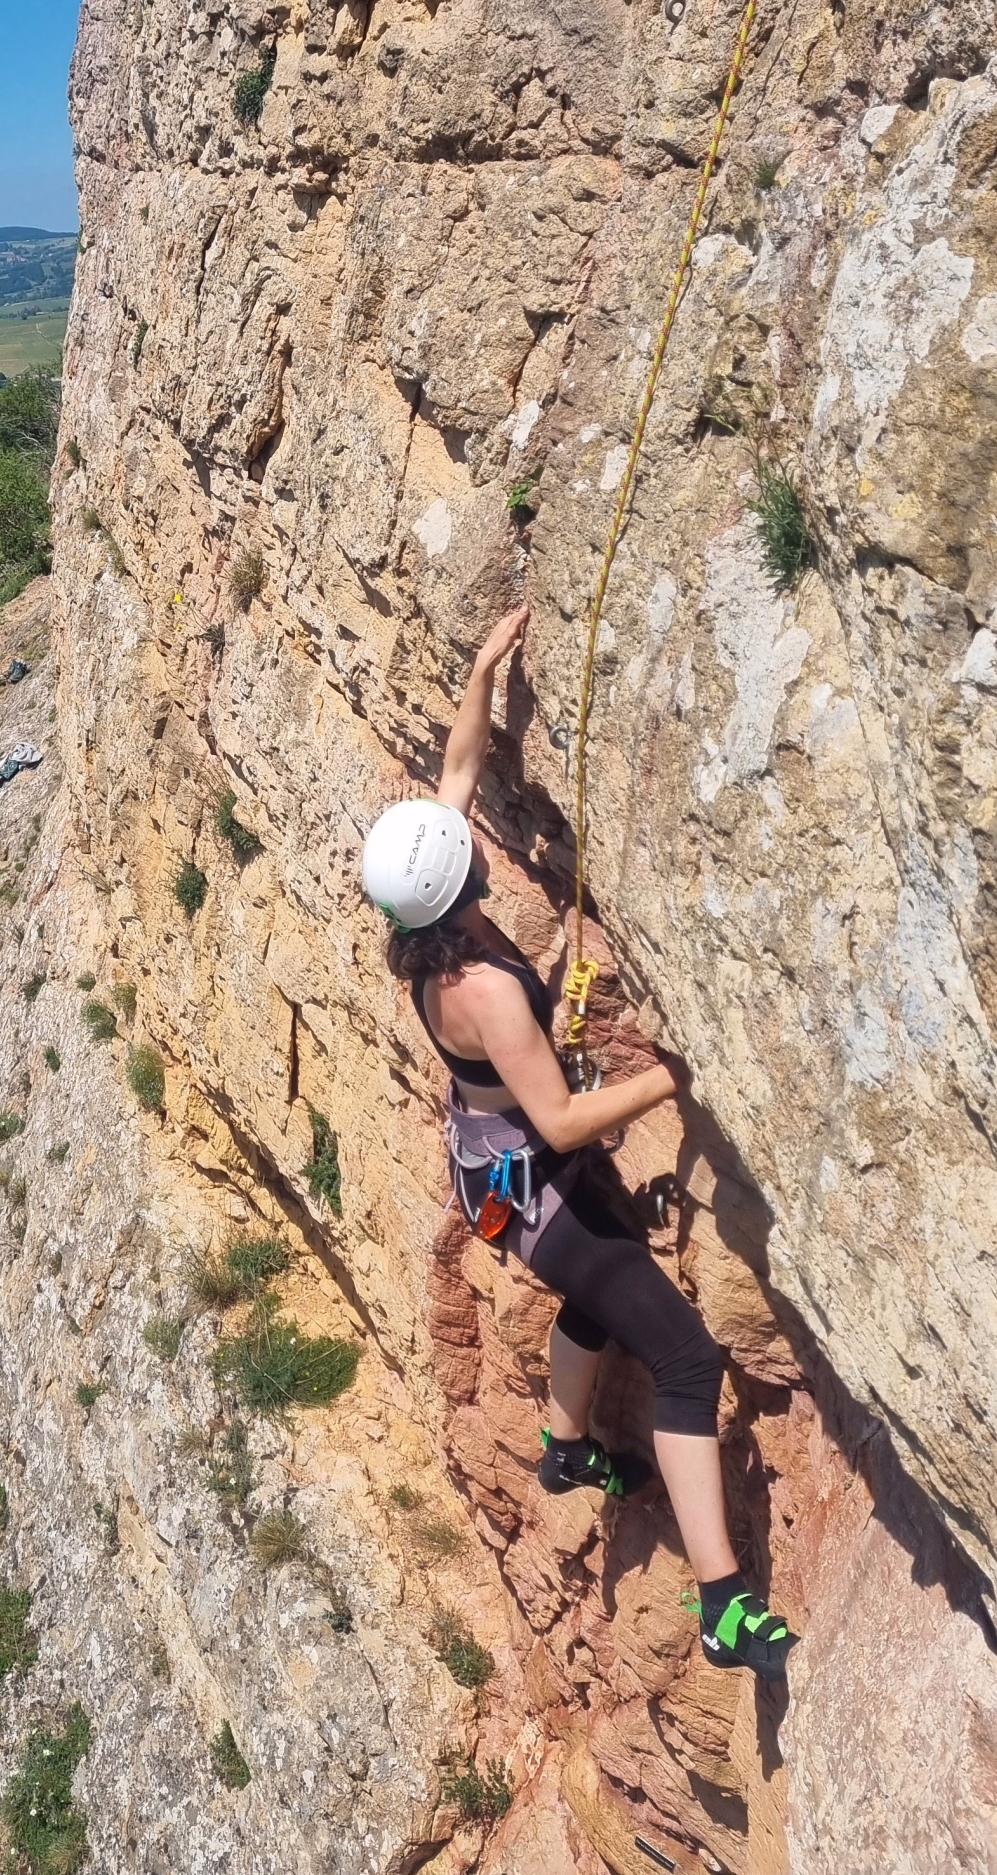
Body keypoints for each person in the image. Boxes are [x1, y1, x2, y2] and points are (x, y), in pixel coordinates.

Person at [362, 606, 795, 1680]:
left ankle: (564, 1448)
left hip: (499, 1179)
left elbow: (456, 779)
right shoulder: (483, 996)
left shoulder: (422, 927)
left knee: (593, 1304)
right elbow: (559, 1120)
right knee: (689, 1358)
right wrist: (670, 1079)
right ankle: (724, 1604)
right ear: (458, 885)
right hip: (552, 1191)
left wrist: (480, 674)